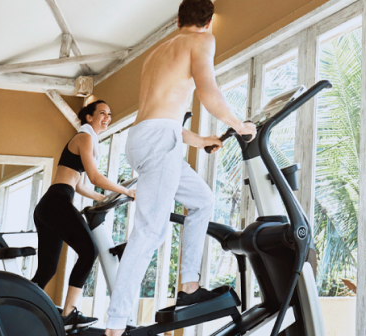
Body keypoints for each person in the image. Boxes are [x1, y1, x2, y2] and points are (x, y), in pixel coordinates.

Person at [104, 0, 257, 334]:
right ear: (208, 21)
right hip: (160, 141)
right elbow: (209, 91)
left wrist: (200, 141)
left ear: (178, 19)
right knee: (150, 231)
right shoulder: (202, 40)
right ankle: (115, 324)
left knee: (202, 200)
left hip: (148, 138)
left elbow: (161, 116)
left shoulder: (158, 52)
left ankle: (189, 286)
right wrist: (239, 124)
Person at [31, 100, 136, 331]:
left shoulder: (85, 139)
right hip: (57, 201)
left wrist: (103, 199)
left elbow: (78, 185)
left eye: (109, 114)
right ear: (88, 117)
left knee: (47, 269)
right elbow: (96, 178)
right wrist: (125, 190)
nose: (107, 117)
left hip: (50, 203)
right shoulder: (85, 138)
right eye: (102, 113)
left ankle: (20, 308)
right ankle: (69, 313)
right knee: (90, 251)